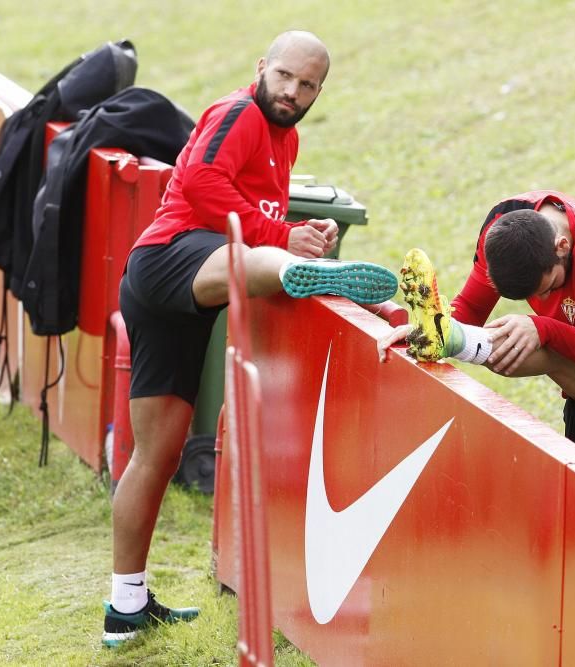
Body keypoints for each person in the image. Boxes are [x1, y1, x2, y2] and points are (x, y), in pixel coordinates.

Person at [104, 31, 397, 647]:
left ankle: (124, 607)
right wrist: (280, 239)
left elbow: (254, 209)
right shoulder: (237, 112)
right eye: (286, 76)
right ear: (262, 67)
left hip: (180, 291)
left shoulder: (287, 138)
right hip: (168, 259)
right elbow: (206, 184)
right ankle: (306, 277)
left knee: (156, 455)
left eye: (308, 84)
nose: (293, 91)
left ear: (321, 89)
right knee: (262, 257)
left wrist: (297, 228)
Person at [378, 190, 575, 488]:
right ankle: (446, 336)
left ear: (562, 246)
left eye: (548, 287)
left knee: (540, 346)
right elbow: (471, 308)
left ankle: (456, 340)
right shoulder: (504, 226)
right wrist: (425, 330)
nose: (544, 298)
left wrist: (544, 328)